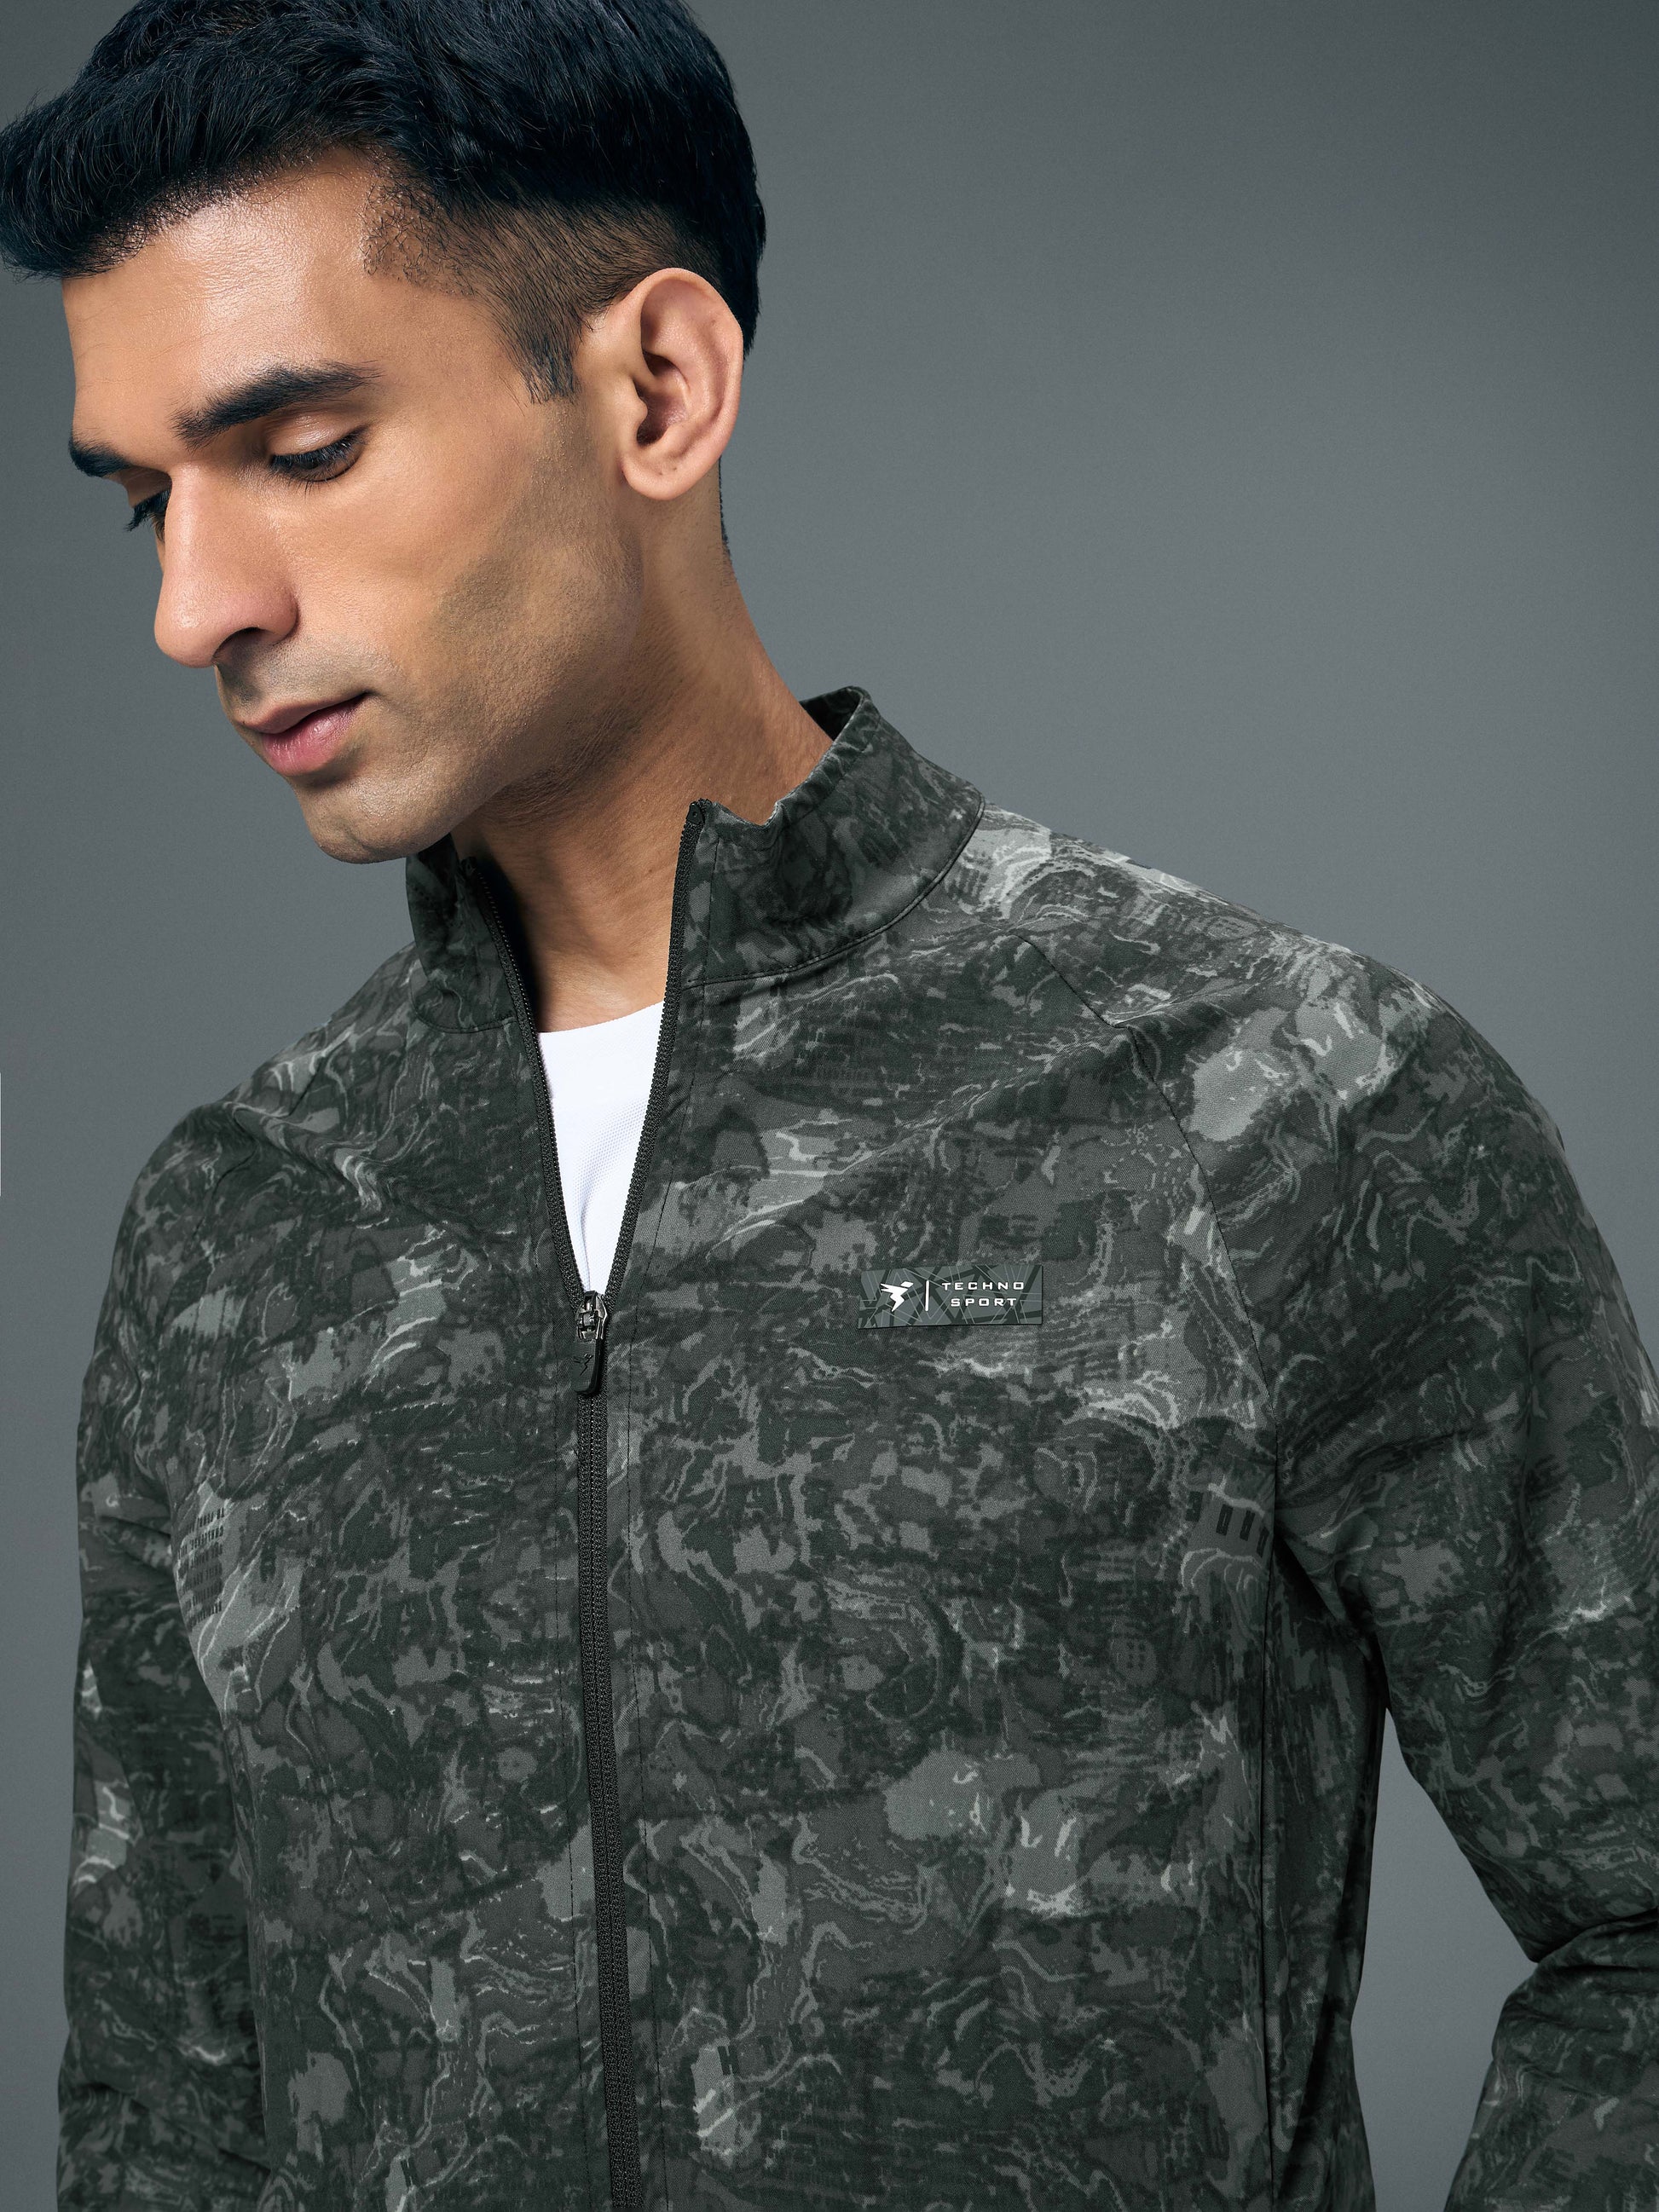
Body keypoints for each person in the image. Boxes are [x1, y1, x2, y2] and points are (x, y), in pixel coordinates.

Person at [3, 2, 1655, 2206]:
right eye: (147, 502)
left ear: (656, 387)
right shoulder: (242, 1231)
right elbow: (167, 2108)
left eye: (299, 448)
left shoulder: (1275, 1101)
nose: (194, 604)